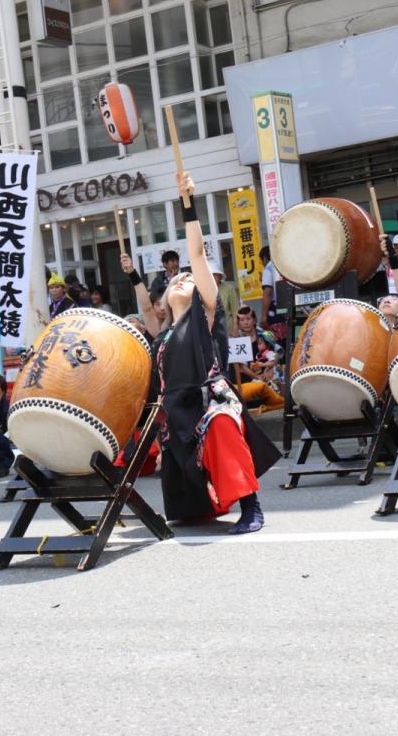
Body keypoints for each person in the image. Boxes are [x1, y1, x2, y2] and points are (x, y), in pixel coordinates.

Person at [152, 171, 280, 534]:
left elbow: (195, 254)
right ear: (166, 297)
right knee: (186, 509)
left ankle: (251, 506)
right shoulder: (161, 338)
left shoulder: (203, 315)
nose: (184, 280)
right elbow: (148, 312)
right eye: (177, 280)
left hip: (208, 397)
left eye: (189, 278)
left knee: (221, 424)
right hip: (175, 407)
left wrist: (188, 203)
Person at [234, 306, 285, 412]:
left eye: (248, 319)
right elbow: (242, 367)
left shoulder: (265, 334)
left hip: (268, 373)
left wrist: (269, 368)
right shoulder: (238, 340)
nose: (246, 323)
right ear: (238, 323)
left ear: (254, 320)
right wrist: (258, 377)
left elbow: (277, 353)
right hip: (249, 377)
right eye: (242, 320)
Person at [259, 245, 287, 342]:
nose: (262, 263)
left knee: (275, 340)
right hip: (287, 306)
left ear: (265, 258)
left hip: (275, 310)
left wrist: (263, 316)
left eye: (262, 261)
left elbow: (267, 292)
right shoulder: (283, 265)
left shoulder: (268, 269)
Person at [210, 259, 241, 335]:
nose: (213, 277)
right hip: (210, 332)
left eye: (215, 274)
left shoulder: (228, 288)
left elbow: (235, 311)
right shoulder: (203, 290)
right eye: (210, 275)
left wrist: (235, 328)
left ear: (220, 276)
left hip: (228, 330)